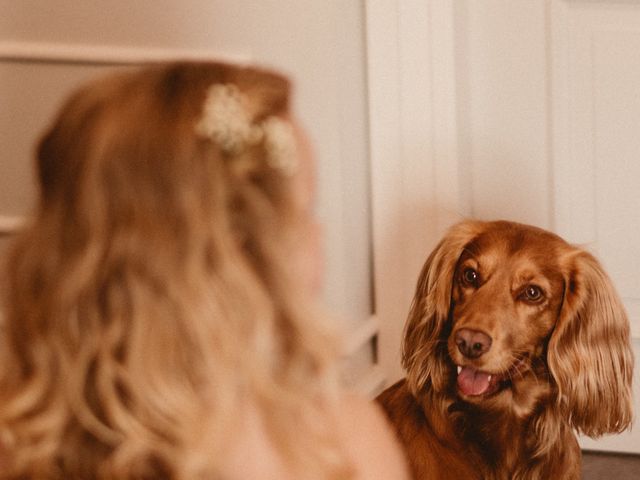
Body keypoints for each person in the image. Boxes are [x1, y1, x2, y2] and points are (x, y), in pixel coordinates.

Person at [0, 62, 409, 479]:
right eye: (305, 213)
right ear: (231, 256)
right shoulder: (341, 444)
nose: (320, 234)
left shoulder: (22, 440)